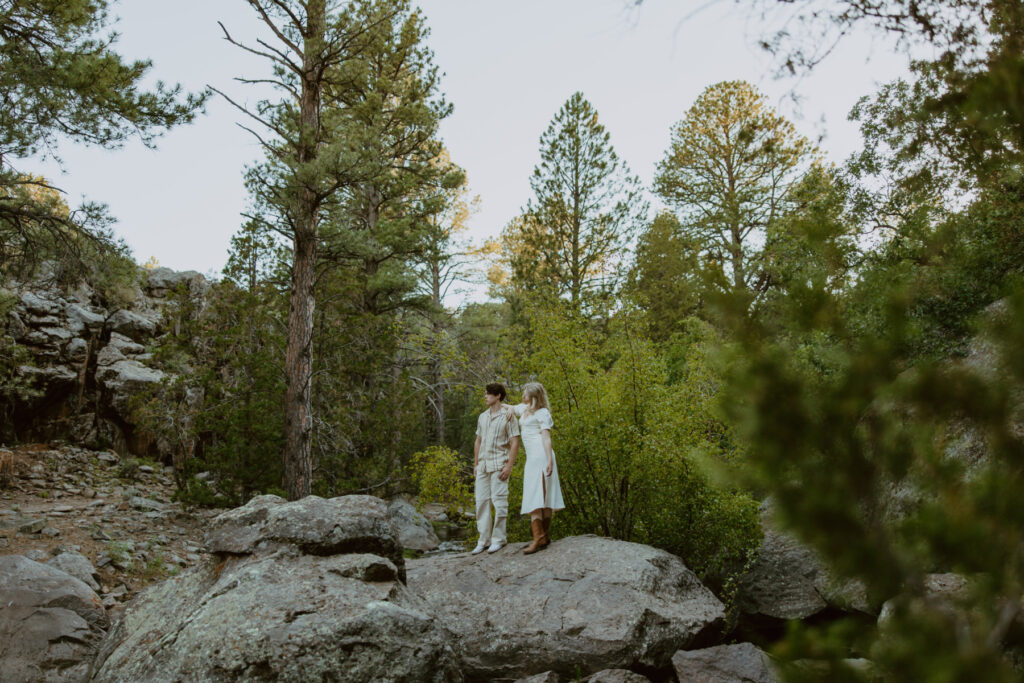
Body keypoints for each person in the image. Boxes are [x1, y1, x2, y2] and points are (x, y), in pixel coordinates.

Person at [511, 382, 564, 554]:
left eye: (525, 394)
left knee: (539, 495)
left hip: (541, 456)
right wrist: (506, 411)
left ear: (534, 397)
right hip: (532, 458)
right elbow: (509, 407)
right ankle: (543, 536)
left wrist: (549, 460)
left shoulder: (542, 413)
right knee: (538, 494)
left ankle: (539, 538)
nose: (522, 397)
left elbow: (546, 438)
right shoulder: (524, 409)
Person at [471, 382, 520, 554]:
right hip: (483, 465)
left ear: (498, 395)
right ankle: (483, 540)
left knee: (499, 502)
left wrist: (509, 466)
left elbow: (515, 443)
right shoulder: (483, 417)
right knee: (481, 503)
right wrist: (476, 464)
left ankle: (499, 539)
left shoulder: (508, 416)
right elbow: (478, 440)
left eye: (488, 393)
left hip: (500, 464)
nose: (485, 396)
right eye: (485, 393)